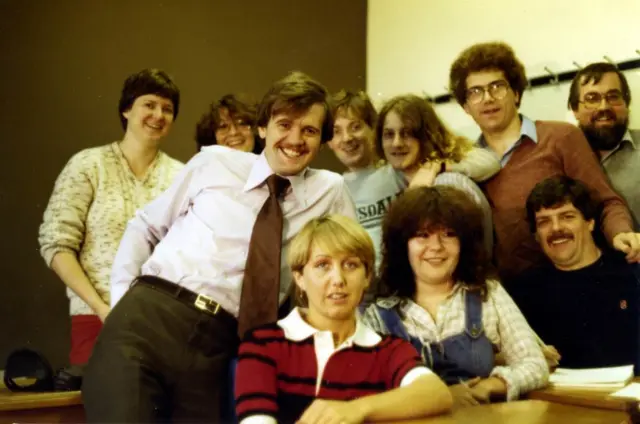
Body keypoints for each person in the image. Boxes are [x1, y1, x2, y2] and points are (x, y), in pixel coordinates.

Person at [81, 71, 357, 423]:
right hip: (152, 317)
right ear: (263, 128)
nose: (295, 139)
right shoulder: (214, 163)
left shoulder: (329, 191)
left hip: (220, 346)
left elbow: (351, 261)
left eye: (310, 130)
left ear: (322, 140)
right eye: (284, 124)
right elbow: (146, 226)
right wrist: (120, 303)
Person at [448, 41, 640, 281]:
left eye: (497, 86)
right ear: (465, 105)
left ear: (515, 93)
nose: (488, 98)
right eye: (475, 92)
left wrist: (621, 233)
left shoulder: (561, 137)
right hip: (511, 296)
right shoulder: (466, 165)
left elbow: (606, 201)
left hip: (574, 283)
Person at [235, 215, 453, 423]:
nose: (338, 279)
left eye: (351, 265)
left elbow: (436, 393)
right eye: (323, 265)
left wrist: (355, 409)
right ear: (299, 277)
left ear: (367, 277)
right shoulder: (263, 343)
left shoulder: (388, 349)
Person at [38, 68, 183, 366]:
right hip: (95, 319)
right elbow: (56, 244)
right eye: (150, 105)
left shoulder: (181, 177)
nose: (159, 115)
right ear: (126, 109)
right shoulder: (88, 165)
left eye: (167, 109)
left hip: (162, 325)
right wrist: (101, 308)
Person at [362, 186, 548, 407]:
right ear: (403, 246)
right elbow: (369, 391)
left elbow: (534, 364)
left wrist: (489, 386)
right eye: (422, 236)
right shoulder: (377, 316)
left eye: (449, 235)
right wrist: (442, 397)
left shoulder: (488, 294)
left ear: (465, 244)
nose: (436, 247)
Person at [327, 91, 498, 266]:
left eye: (355, 127)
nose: (347, 138)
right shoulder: (334, 192)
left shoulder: (403, 171)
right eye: (336, 131)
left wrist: (438, 167)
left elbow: (488, 161)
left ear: (372, 129)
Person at [508, 176, 640, 371]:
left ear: (590, 222)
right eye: (544, 222)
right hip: (563, 398)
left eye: (567, 217)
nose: (556, 228)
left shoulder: (630, 272)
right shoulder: (524, 293)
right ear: (536, 235)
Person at [568, 62, 640, 224]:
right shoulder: (561, 158)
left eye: (613, 97)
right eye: (592, 99)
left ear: (626, 103)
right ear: (575, 109)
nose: (604, 107)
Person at [195, 94, 263, 153]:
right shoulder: (202, 166)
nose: (233, 132)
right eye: (223, 126)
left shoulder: (271, 165)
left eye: (242, 123)